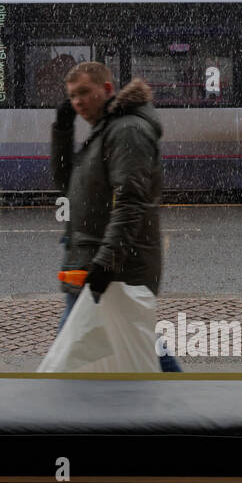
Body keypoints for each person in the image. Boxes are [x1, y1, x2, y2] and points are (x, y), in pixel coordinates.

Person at [51, 61, 181, 371]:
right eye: (71, 96)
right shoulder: (105, 129)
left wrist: (105, 264)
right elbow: (67, 183)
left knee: (67, 359)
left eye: (84, 92)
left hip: (112, 269)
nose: (78, 101)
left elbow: (131, 203)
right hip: (95, 264)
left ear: (107, 89)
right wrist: (63, 128)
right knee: (138, 345)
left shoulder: (127, 131)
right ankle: (180, 403)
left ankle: (182, 405)